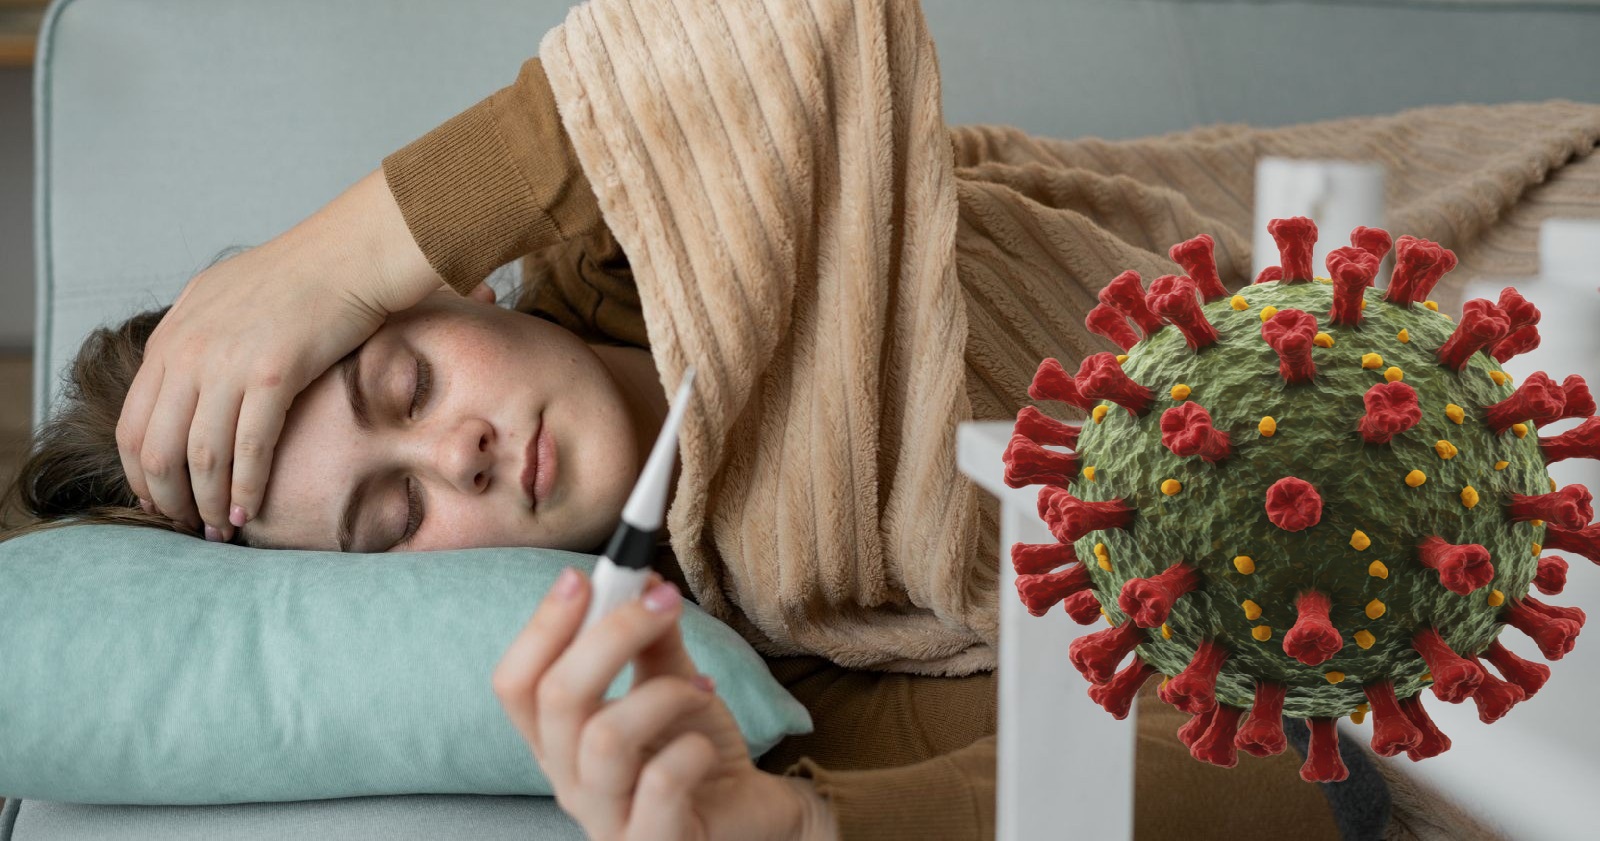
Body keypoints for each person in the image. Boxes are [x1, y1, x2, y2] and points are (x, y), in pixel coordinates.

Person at [14, 0, 1589, 836]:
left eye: (401, 383)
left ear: (453, 294)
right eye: (394, 516)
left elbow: (787, 23)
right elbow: (1308, 773)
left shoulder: (613, 226)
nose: (459, 454)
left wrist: (334, 254)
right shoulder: (787, 668)